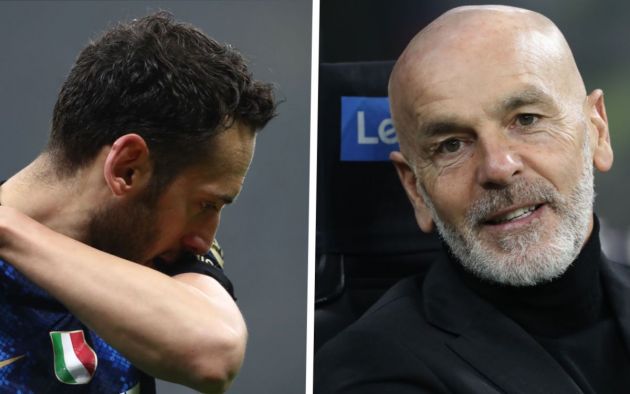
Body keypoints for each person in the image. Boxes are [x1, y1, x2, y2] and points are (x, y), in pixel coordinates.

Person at [314, 5, 630, 393]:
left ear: (597, 130)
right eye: (451, 146)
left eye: (526, 119)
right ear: (416, 190)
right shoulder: (371, 372)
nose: (498, 167)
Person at [0, 12, 275, 393]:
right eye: (206, 205)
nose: (204, 240)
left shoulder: (172, 258)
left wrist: (8, 230)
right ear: (128, 168)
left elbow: (214, 352)